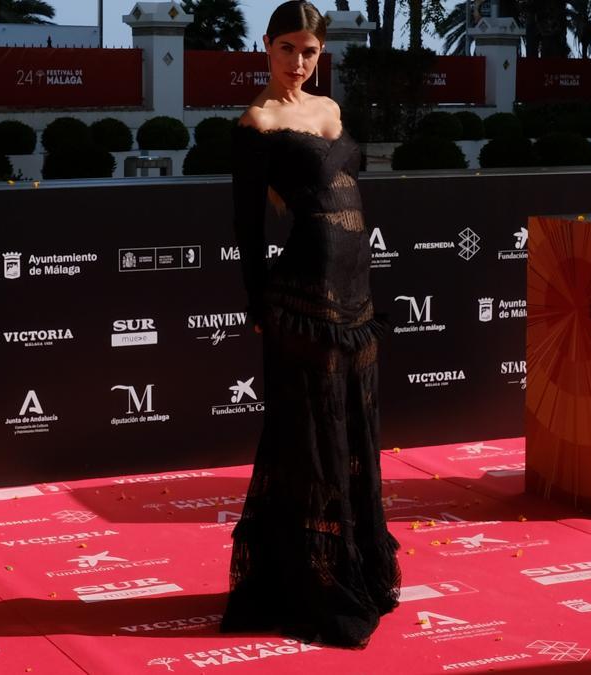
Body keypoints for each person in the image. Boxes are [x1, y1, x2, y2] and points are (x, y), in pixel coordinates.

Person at [220, 0, 401, 650]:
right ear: (264, 47)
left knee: (352, 427)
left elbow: (349, 185)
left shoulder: (330, 110)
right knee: (309, 438)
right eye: (288, 48)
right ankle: (307, 580)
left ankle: (354, 562)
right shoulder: (255, 123)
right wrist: (254, 305)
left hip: (356, 291)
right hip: (303, 295)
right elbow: (247, 227)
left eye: (310, 51)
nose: (299, 61)